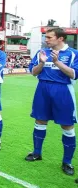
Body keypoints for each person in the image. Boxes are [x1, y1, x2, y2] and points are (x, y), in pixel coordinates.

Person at [25, 28, 78, 176]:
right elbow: (33, 72)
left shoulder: (73, 53)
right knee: (40, 121)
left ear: (60, 38)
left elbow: (74, 74)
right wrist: (42, 63)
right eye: (45, 37)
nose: (46, 40)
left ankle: (67, 162)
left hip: (62, 91)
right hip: (42, 89)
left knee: (67, 125)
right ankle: (37, 153)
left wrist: (57, 62)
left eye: (49, 37)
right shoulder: (42, 52)